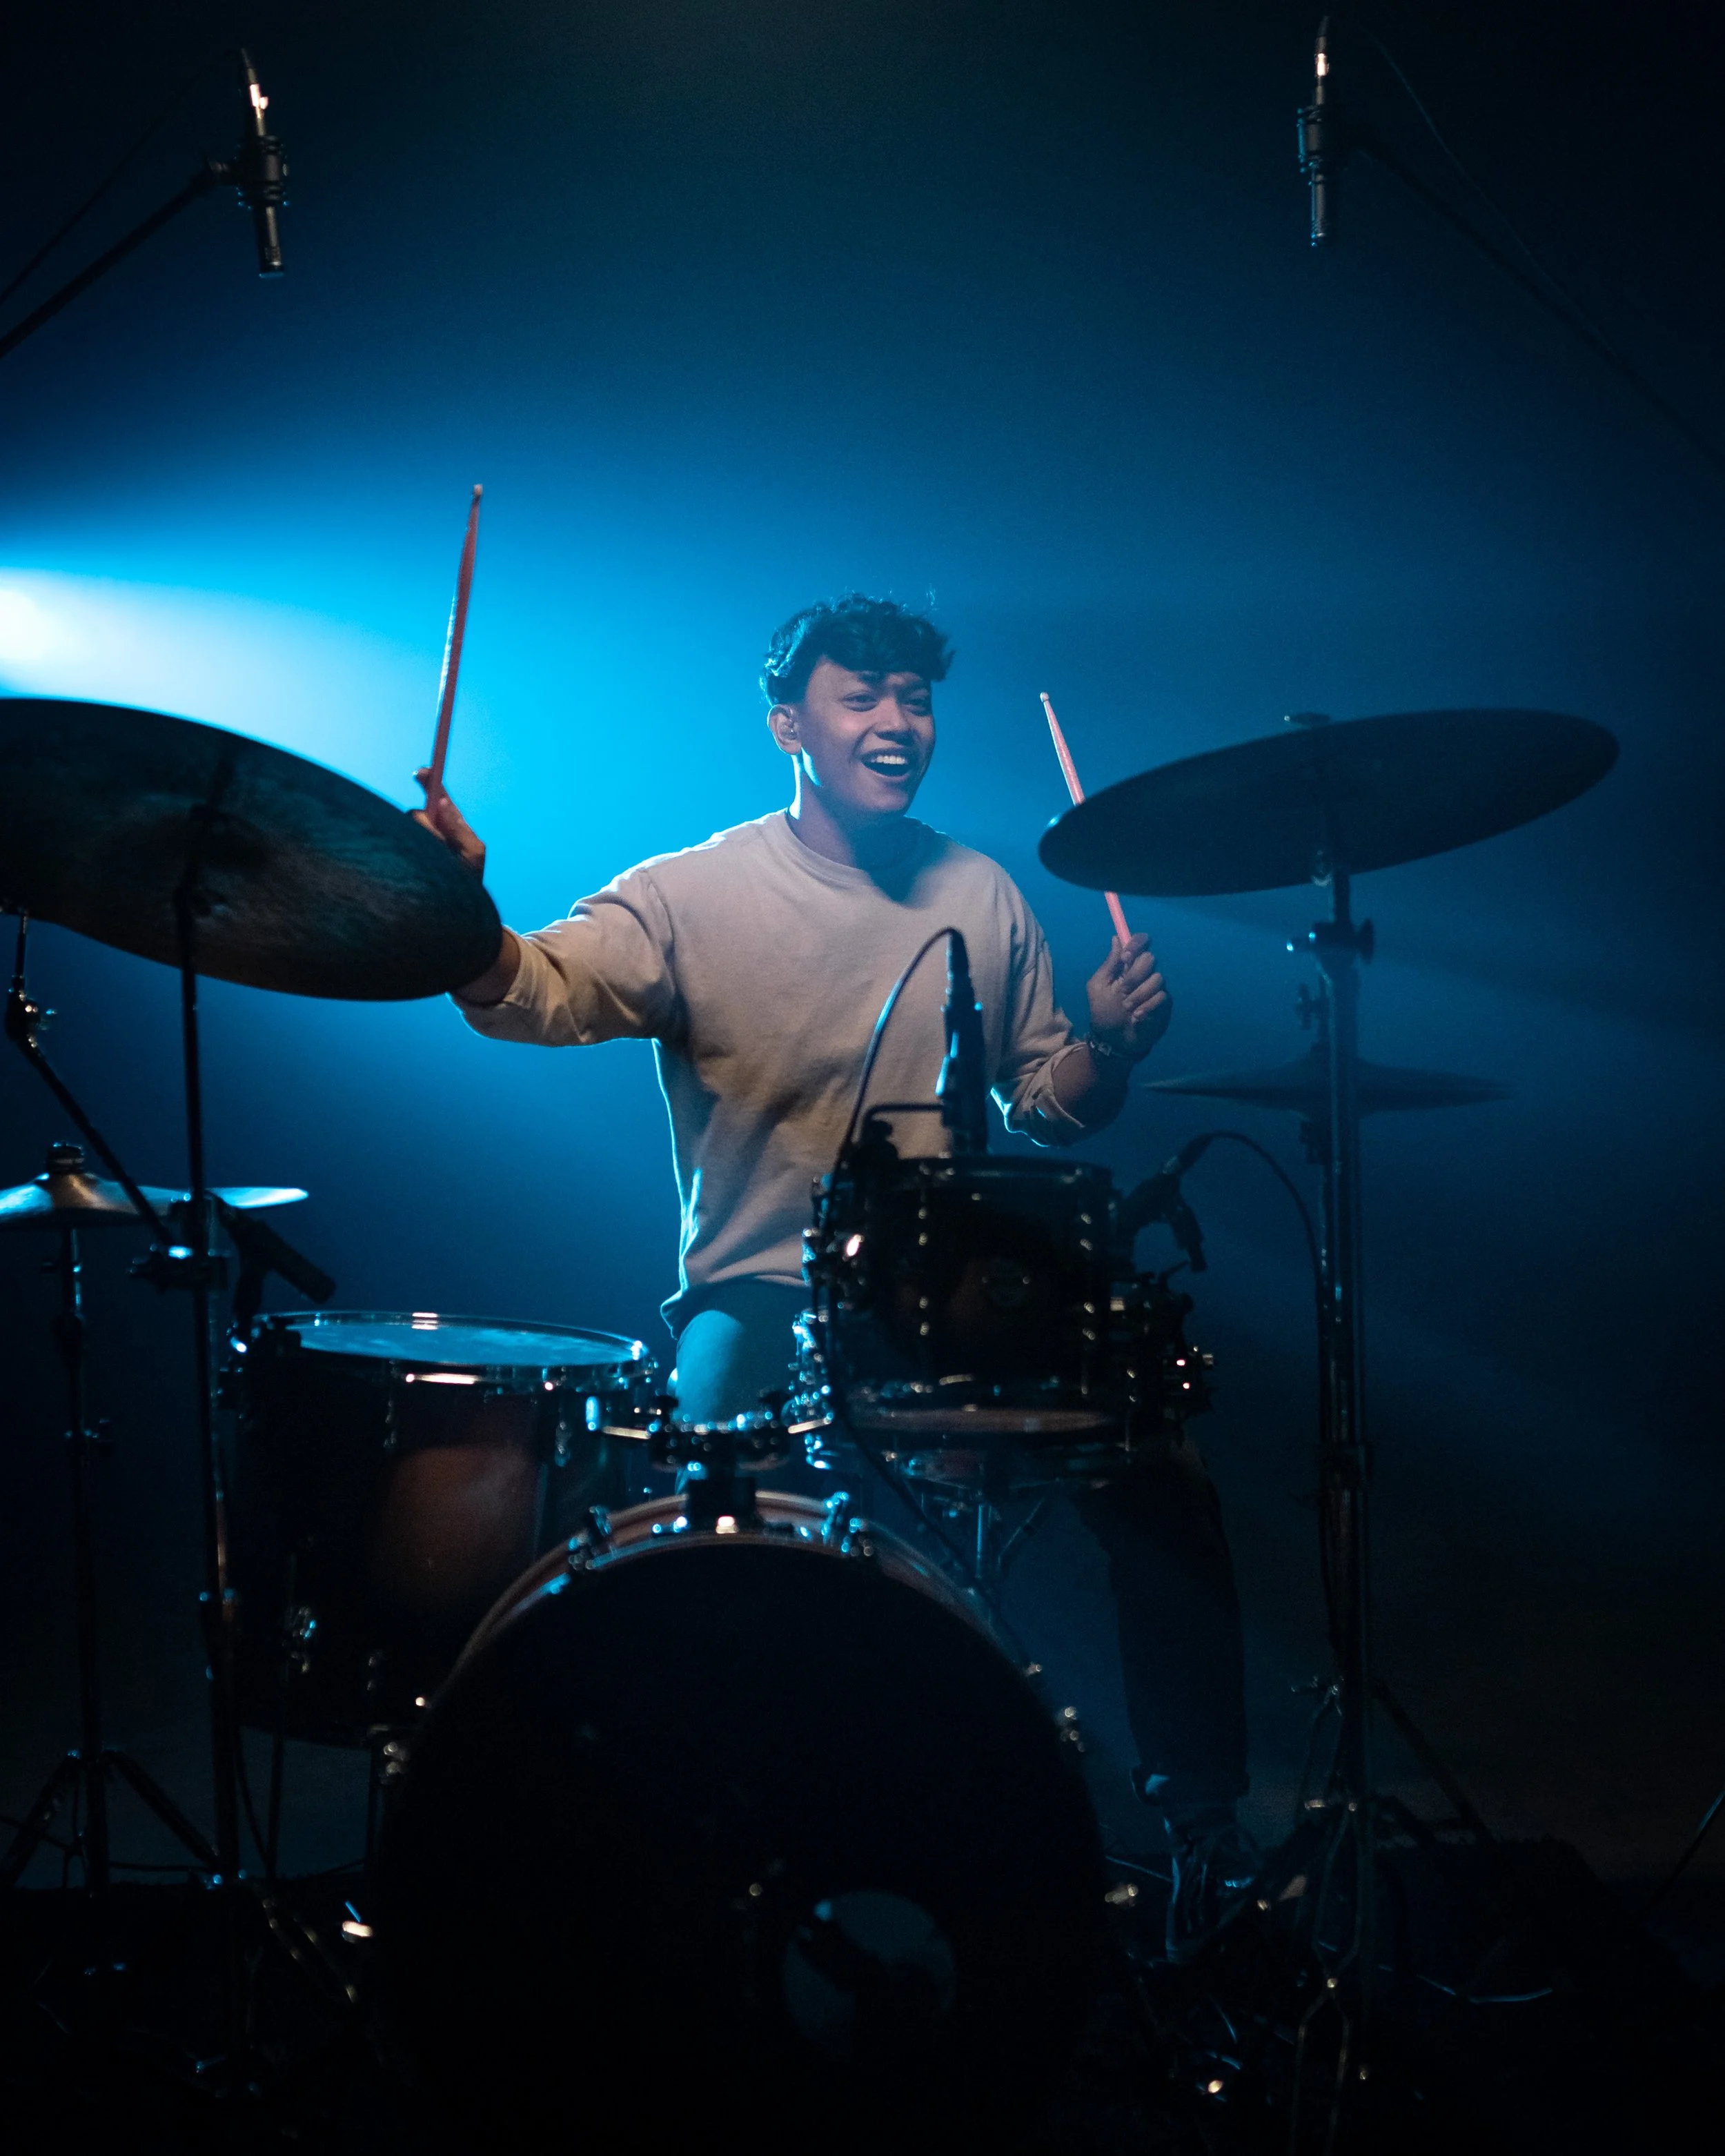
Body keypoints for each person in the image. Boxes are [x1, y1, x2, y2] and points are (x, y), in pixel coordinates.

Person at [415, 593, 1256, 1959]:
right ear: (787, 724)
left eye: (915, 697)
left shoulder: (979, 891)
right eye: (862, 694)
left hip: (945, 1299)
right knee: (694, 1477)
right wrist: (457, 912)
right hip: (756, 1292)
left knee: (1158, 1466)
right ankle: (690, 1816)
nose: (896, 721)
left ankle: (1205, 1830)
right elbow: (533, 991)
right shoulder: (692, 893)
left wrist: (1106, 1045)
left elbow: (1050, 1101)